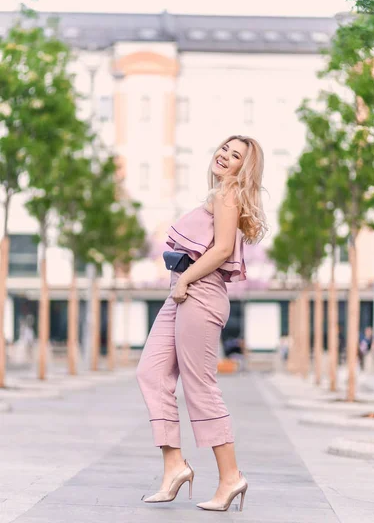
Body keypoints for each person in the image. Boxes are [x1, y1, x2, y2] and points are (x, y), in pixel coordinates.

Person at [136, 135, 267, 512]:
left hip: (199, 292)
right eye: (224, 149)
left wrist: (189, 279)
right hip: (182, 289)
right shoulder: (218, 196)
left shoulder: (228, 195)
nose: (225, 156)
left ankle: (231, 478)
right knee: (151, 372)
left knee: (200, 386)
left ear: (245, 167)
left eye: (236, 155)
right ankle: (174, 466)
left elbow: (223, 249)